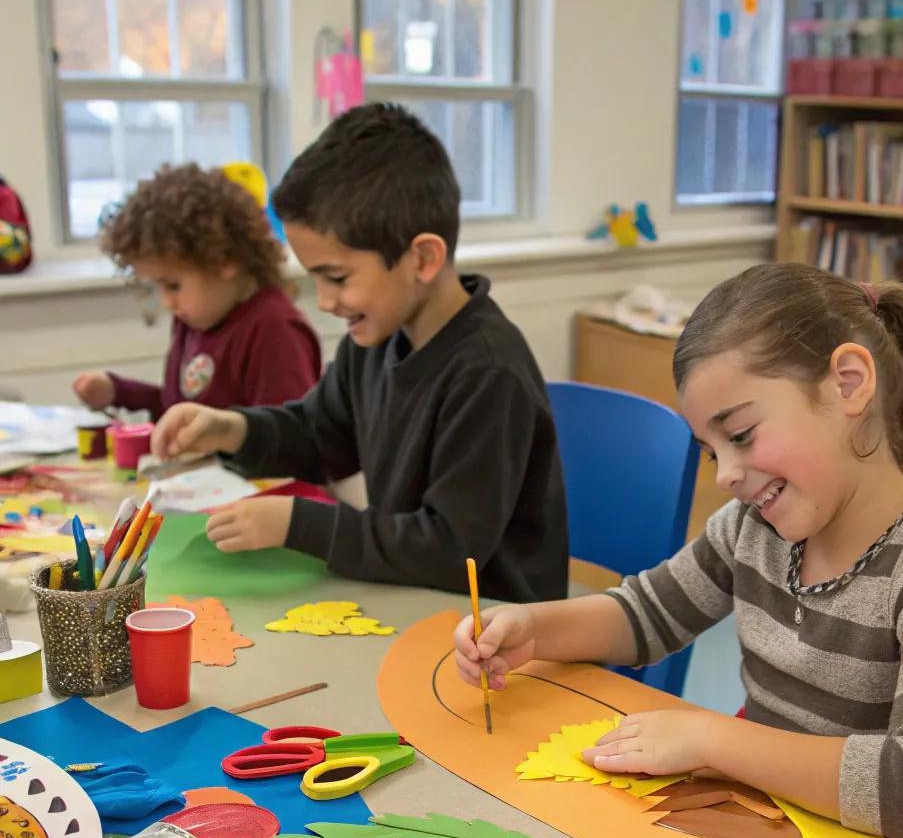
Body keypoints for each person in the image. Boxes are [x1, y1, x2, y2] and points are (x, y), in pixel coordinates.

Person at [455, 263, 903, 838]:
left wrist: (713, 741)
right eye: (713, 453)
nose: (727, 476)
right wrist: (535, 629)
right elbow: (646, 614)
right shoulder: (756, 525)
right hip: (762, 822)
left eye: (740, 435)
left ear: (848, 383)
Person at [151, 104, 567, 603]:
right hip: (415, 603)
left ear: (423, 259)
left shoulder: (487, 372)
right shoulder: (374, 340)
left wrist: (301, 524)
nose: (324, 302)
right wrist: (233, 429)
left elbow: (451, 551)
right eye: (316, 279)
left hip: (494, 637)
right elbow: (318, 434)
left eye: (338, 278)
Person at [73, 164, 321, 419]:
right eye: (157, 287)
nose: (167, 302)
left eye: (173, 285)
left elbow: (286, 437)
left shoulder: (274, 329)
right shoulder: (195, 318)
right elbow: (182, 411)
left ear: (224, 261)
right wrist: (119, 392)